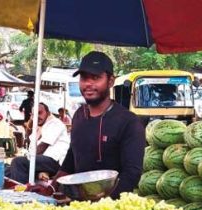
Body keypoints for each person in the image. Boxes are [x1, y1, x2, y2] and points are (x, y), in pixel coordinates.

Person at [51, 51, 145, 199]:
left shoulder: (129, 121)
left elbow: (131, 174)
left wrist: (103, 205)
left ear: (111, 81)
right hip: (78, 204)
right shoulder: (78, 115)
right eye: (84, 78)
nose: (88, 84)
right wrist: (51, 187)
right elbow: (71, 158)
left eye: (96, 78)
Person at [9, 102, 70, 183]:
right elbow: (28, 138)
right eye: (34, 114)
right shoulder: (40, 126)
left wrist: (27, 158)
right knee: (7, 169)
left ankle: (23, 193)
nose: (37, 116)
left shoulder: (55, 123)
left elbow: (42, 147)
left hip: (55, 161)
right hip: (42, 160)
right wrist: (31, 120)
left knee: (17, 162)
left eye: (40, 113)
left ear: (48, 113)